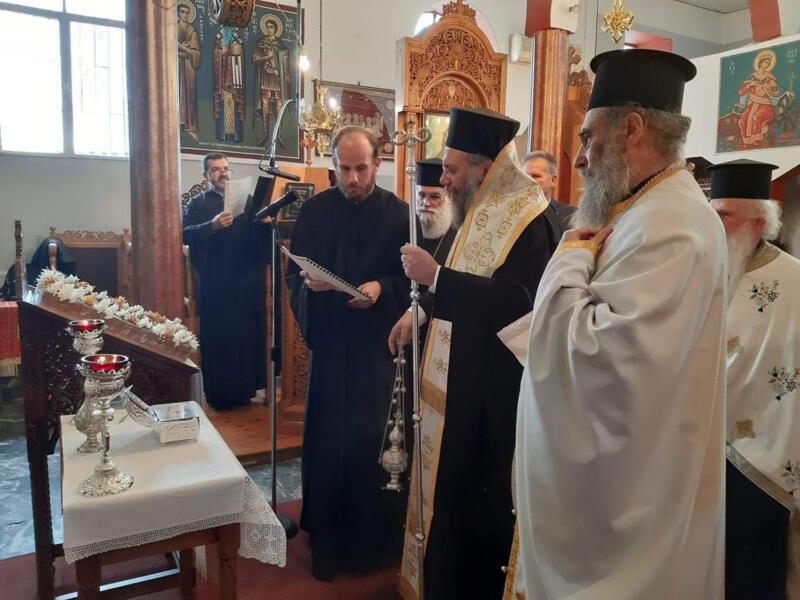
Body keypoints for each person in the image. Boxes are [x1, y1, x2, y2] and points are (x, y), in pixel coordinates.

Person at [505, 49, 728, 599]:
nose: (580, 159)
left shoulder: (672, 225)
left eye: (588, 138)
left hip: (637, 498)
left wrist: (567, 262)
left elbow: (601, 358)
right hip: (626, 478)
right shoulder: (642, 209)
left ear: (631, 129)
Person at [390, 108, 561, 600]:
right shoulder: (476, 209)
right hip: (458, 386)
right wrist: (420, 311)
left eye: (452, 169)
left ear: (485, 168)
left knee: (477, 511)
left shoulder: (529, 218)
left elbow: (519, 304)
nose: (444, 179)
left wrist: (436, 279)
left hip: (493, 397)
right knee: (450, 499)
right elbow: (459, 278)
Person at [285, 126, 411, 581]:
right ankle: (328, 541)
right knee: (329, 442)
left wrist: (382, 287)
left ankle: (374, 544)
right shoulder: (315, 212)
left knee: (371, 443)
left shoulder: (399, 215)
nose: (353, 179)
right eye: (344, 169)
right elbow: (294, 276)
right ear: (333, 165)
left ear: (378, 164)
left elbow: (411, 281)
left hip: (377, 350)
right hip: (334, 346)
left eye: (362, 168)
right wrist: (311, 286)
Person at [709, 159, 800, 599]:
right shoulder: (703, 270)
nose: (713, 224)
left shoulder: (794, 280)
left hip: (766, 452)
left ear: (759, 222)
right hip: (700, 446)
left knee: (754, 571)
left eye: (724, 214)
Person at [182, 153, 269, 411]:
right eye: (216, 170)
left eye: (226, 168)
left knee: (246, 336)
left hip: (245, 281)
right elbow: (184, 233)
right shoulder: (197, 203)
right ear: (206, 175)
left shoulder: (247, 200)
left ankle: (245, 390)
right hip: (216, 283)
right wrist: (211, 226)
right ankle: (220, 395)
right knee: (222, 337)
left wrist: (264, 223)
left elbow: (257, 236)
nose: (223, 173)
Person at [252, 15, 290, 146]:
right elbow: (255, 59)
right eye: (267, 27)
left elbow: (285, 63)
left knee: (279, 106)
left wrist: (282, 73)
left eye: (271, 27)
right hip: (265, 77)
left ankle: (279, 135)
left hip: (277, 79)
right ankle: (265, 135)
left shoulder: (281, 45)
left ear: (276, 29)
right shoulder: (261, 43)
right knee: (265, 104)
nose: (269, 29)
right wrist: (266, 57)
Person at [522, 150, 575, 232]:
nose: (528, 180)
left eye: (535, 176)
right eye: (524, 176)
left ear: (553, 180)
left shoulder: (571, 216)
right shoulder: (512, 216)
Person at [415, 158, 456, 263]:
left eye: (434, 197)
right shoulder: (404, 229)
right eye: (421, 195)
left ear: (449, 199)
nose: (426, 203)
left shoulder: (459, 235)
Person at [213, 26, 245, 142]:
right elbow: (216, 52)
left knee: (234, 104)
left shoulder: (237, 37)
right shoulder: (219, 35)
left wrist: (234, 50)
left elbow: (240, 53)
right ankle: (222, 134)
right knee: (223, 104)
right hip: (222, 77)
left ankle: (235, 135)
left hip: (234, 77)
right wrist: (222, 52)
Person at [177, 0, 201, 140]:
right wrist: (186, 49)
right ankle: (177, 123)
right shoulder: (173, 28)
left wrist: (180, 46)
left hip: (188, 67)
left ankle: (190, 126)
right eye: (182, 12)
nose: (185, 15)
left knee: (189, 95)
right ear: (178, 14)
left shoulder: (193, 31)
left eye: (187, 12)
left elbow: (196, 53)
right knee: (177, 93)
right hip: (176, 66)